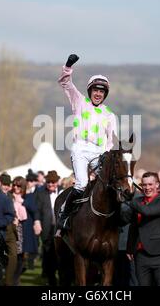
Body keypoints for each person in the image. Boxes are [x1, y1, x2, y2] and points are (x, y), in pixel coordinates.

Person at [56, 53, 117, 233]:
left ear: (105, 94)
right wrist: (68, 66)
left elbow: (110, 142)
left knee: (110, 183)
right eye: (95, 90)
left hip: (99, 153)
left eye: (102, 91)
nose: (98, 94)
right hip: (81, 150)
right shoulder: (79, 102)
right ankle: (64, 216)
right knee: (82, 184)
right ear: (90, 91)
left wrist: (107, 156)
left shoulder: (109, 115)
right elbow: (66, 83)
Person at [125, 172, 160, 286]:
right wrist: (129, 248)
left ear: (157, 185)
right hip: (141, 256)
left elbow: (148, 212)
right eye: (144, 185)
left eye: (150, 184)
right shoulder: (138, 202)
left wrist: (130, 200)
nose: (147, 188)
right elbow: (132, 226)